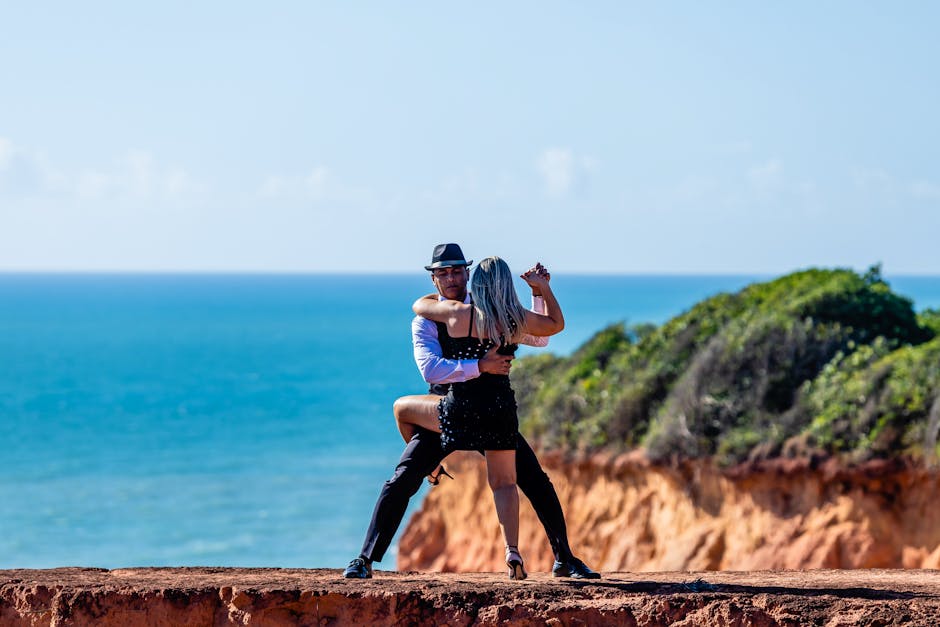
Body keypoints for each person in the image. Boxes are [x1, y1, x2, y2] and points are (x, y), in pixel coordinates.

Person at [343, 243, 600, 580]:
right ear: (434, 279)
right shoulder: (427, 319)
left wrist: (536, 296)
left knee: (535, 481)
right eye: (443, 272)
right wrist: (480, 365)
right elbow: (431, 371)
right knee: (402, 478)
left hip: (482, 410)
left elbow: (538, 339)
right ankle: (365, 559)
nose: (450, 278)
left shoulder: (487, 307)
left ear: (467, 273)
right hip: (447, 410)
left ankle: (565, 559)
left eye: (456, 271)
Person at [408, 255, 562, 579]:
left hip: (461, 407)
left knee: (402, 410)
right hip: (500, 409)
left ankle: (432, 467)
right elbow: (549, 331)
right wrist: (542, 289)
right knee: (506, 484)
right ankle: (513, 551)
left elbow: (421, 308)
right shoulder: (513, 321)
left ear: (473, 282)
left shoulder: (463, 316)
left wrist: (428, 301)